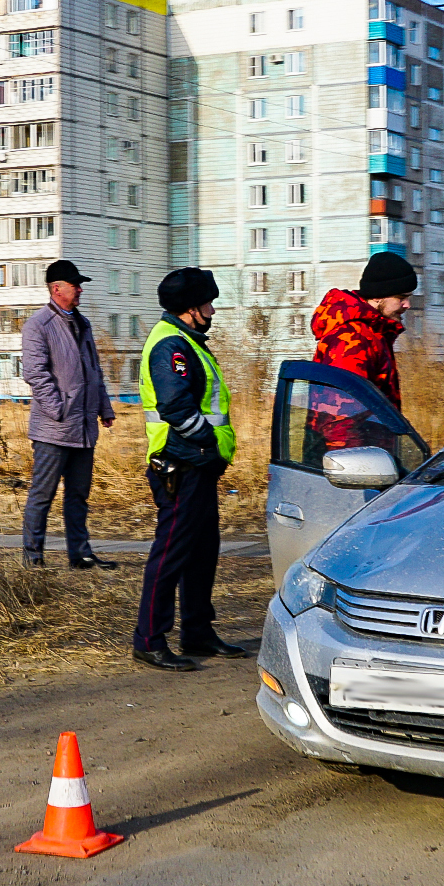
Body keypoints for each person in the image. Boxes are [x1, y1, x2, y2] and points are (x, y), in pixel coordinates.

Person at [131, 267, 248, 672]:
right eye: (208, 302)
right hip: (182, 463)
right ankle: (149, 639)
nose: (213, 309)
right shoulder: (171, 346)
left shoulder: (186, 341)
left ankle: (197, 632)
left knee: (202, 551)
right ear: (191, 307)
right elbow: (177, 407)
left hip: (195, 463)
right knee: (172, 553)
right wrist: (209, 445)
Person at [19, 259, 117, 569]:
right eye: (75, 285)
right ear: (56, 288)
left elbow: (94, 371)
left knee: (78, 497)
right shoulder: (38, 325)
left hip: (84, 427)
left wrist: (104, 407)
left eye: (79, 284)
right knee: (42, 496)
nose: (80, 289)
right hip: (53, 430)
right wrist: (59, 410)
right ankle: (33, 559)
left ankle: (81, 555)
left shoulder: (83, 323)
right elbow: (35, 373)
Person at [310, 250, 418, 407]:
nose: (408, 305)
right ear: (377, 296)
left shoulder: (373, 333)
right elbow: (342, 415)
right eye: (401, 298)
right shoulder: (351, 338)